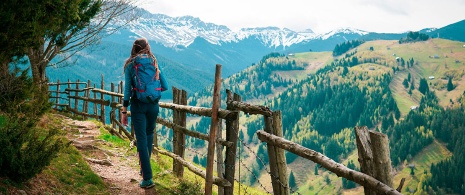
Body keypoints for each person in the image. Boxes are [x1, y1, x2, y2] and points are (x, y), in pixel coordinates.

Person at [121, 37, 168, 189]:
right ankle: (144, 170)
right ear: (147, 47)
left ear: (134, 48)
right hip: (153, 105)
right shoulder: (154, 61)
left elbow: (127, 90)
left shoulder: (130, 64)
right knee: (148, 136)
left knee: (141, 139)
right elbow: (165, 85)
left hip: (138, 105)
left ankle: (147, 178)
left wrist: (124, 110)